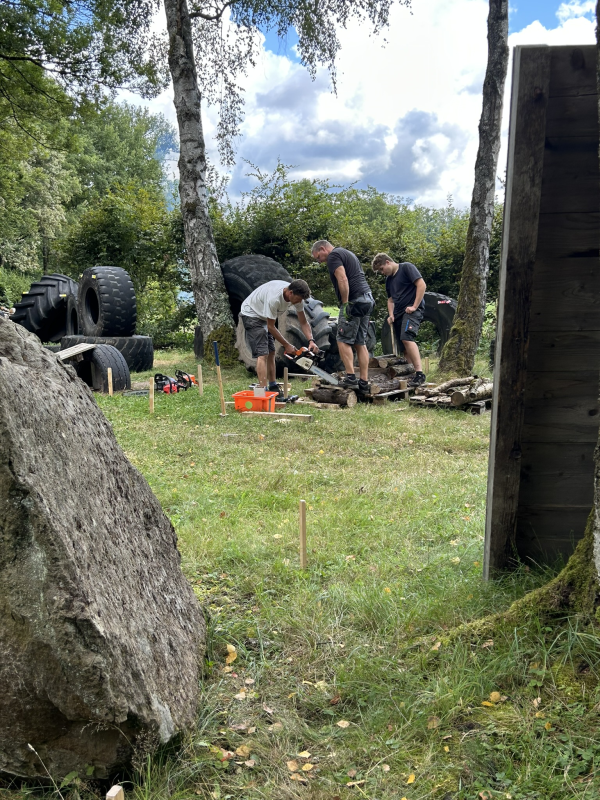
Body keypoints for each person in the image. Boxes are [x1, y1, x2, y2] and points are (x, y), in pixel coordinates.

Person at [311, 240, 374, 391]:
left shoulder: (333, 256)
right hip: (367, 299)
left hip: (354, 301)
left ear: (322, 248)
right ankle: (363, 382)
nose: (319, 261)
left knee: (342, 339)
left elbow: (343, 278)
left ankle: (351, 378)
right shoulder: (347, 253)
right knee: (360, 342)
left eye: (318, 257)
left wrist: (345, 304)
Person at [240, 279, 318, 396]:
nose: (299, 302)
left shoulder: (297, 298)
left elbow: (303, 322)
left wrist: (311, 341)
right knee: (263, 354)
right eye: (298, 299)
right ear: (290, 293)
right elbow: (271, 327)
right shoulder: (274, 299)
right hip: (251, 313)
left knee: (271, 351)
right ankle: (263, 390)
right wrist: (287, 345)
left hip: (263, 315)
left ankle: (273, 385)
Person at [371, 253, 427, 387]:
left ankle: (420, 373)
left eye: (382, 269)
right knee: (403, 347)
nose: (382, 273)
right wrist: (391, 315)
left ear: (387, 262)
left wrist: (414, 306)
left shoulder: (406, 267)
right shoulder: (389, 280)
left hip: (411, 311)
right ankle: (411, 374)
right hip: (398, 314)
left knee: (407, 338)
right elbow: (390, 300)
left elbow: (421, 285)